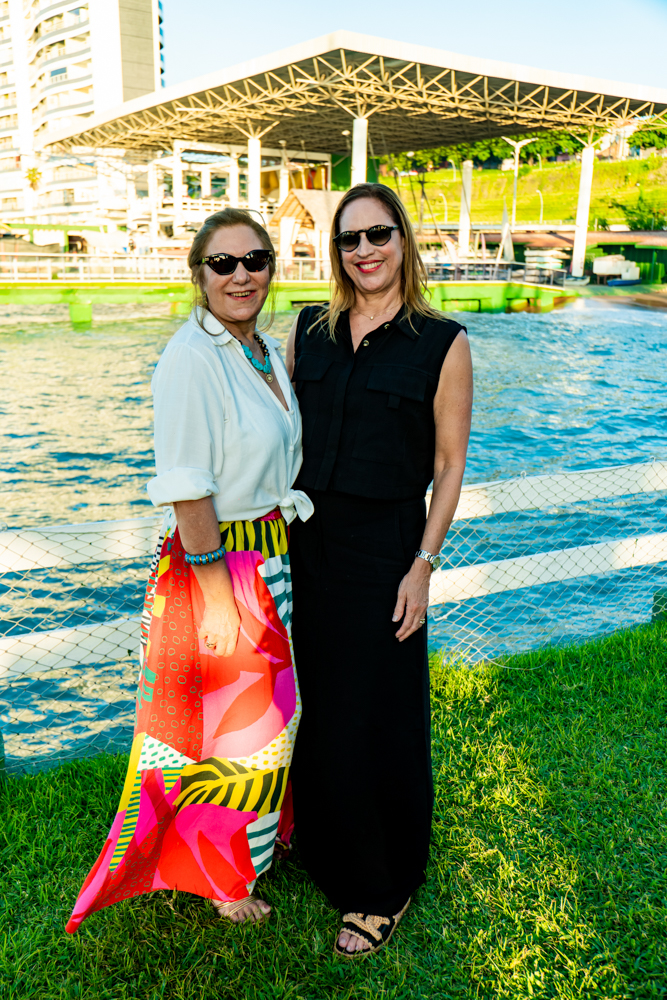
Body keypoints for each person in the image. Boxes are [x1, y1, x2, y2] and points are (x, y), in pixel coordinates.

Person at [66, 208, 313, 934]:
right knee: (239, 732)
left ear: (270, 268)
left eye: (255, 260)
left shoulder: (259, 349)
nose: (241, 275)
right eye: (223, 263)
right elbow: (185, 484)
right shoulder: (190, 357)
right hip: (221, 562)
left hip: (269, 554)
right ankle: (223, 879)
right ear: (198, 274)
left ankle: (251, 850)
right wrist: (216, 592)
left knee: (270, 720)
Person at [286, 183, 473, 957]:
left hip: (386, 549)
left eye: (378, 234)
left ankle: (381, 885)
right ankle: (321, 843)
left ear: (403, 241)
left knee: (379, 713)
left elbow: (448, 465)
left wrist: (422, 566)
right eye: (349, 238)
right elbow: (274, 432)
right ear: (335, 251)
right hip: (305, 545)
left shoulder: (442, 342)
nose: (363, 250)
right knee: (323, 705)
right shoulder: (308, 329)